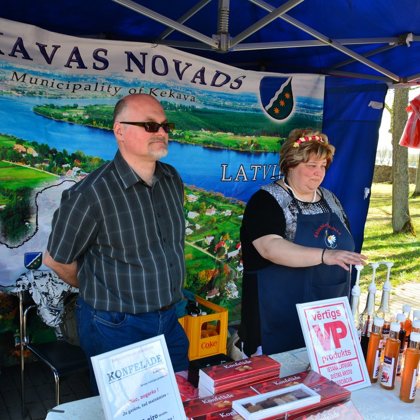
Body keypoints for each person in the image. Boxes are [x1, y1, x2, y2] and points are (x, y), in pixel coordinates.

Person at [44, 93, 189, 393]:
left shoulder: (171, 179)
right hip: (116, 326)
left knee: (177, 400)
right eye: (150, 126)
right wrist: (99, 288)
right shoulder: (90, 194)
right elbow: (55, 259)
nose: (162, 132)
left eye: (165, 125)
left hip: (169, 320)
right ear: (119, 131)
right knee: (129, 407)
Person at [237, 128, 367, 357]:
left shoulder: (331, 199)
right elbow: (269, 247)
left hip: (324, 320)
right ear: (290, 164)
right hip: (277, 318)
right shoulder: (266, 201)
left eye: (323, 166)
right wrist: (325, 255)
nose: (318, 173)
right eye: (311, 165)